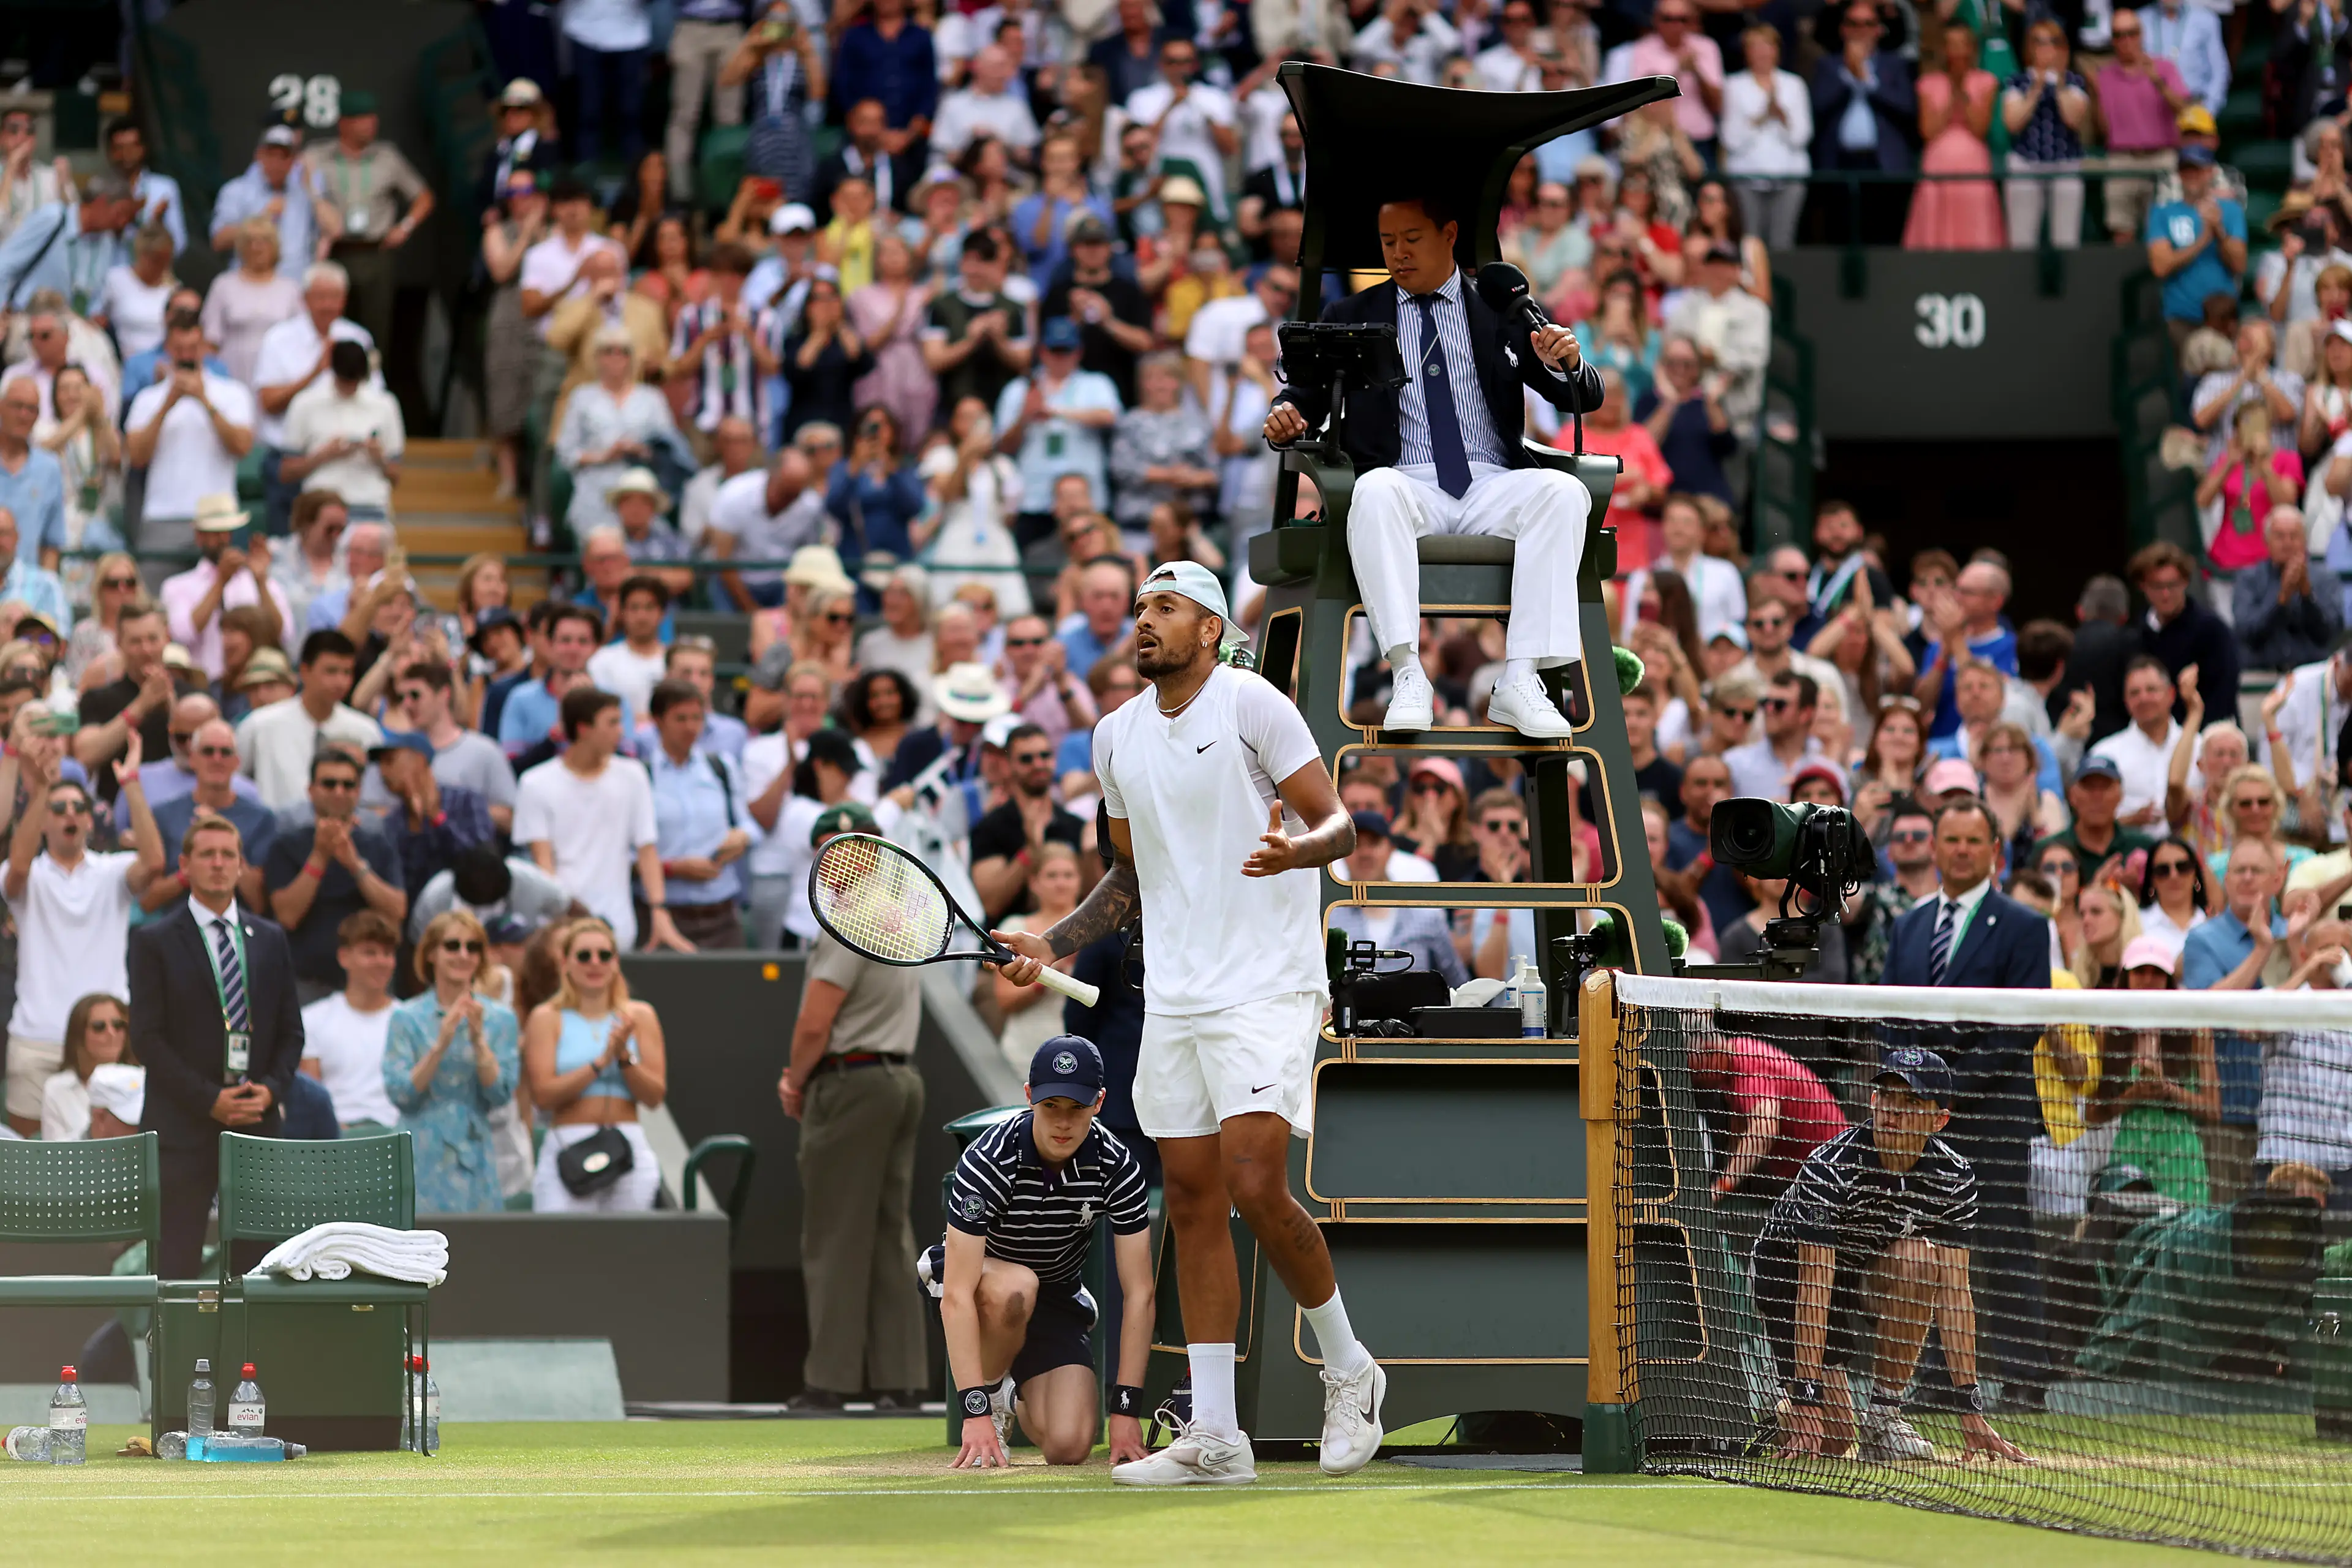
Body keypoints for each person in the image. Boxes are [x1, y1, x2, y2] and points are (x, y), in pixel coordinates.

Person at [995, 561, 1382, 1487]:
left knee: (1255, 1184)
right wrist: (1049, 943)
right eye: (1137, 609)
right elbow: (1129, 879)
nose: (1144, 622)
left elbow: (1340, 829)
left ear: (1210, 628)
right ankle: (1216, 1435)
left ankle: (1350, 1367)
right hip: (1174, 996)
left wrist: (1298, 849)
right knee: (1195, 1203)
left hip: (1265, 987)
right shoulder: (1114, 736)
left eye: (1165, 608)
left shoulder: (1254, 704)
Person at [1263, 192, 1601, 741]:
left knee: (1564, 495)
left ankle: (1520, 679)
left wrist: (1568, 360)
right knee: (1372, 492)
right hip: (1406, 484)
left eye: (1411, 240)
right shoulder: (1352, 315)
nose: (1397, 254)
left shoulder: (1501, 308)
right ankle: (1406, 672)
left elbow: (1581, 397)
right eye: (1388, 243)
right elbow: (1307, 396)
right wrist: (1289, 415)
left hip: (1493, 482)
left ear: (1448, 234)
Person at [1751, 1048, 2029, 1462]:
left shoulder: (1954, 1178)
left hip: (1863, 1269)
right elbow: (1814, 1284)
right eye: (1886, 1097)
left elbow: (1955, 1295)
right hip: (1792, 1275)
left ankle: (1883, 1420)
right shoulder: (1830, 1169)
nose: (1892, 1112)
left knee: (1920, 1259)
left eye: (1911, 1102)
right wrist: (1809, 1399)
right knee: (1833, 1439)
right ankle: (1778, 1411)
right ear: (1872, 1101)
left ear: (1939, 1120)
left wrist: (1970, 1409)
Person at [932, 1035, 1155, 1469]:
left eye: (1077, 1108)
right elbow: (957, 1293)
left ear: (1100, 1102)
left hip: (1056, 1298)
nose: (1063, 1123)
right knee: (1017, 1286)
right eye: (1051, 1106)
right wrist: (974, 1409)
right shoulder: (989, 1159)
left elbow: (1141, 1293)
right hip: (980, 1288)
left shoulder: (1119, 1165)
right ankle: (993, 1399)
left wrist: (1126, 1410)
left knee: (1070, 1447)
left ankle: (1013, 1394)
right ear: (1030, 1097)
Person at [781, 802, 927, 1408]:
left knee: (834, 1235)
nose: (827, 859)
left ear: (871, 852)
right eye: (820, 846)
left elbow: (817, 1021)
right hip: (899, 1078)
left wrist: (794, 1078)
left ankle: (830, 1382)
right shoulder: (900, 915)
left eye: (841, 846)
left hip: (852, 1082)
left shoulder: (847, 916)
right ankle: (902, 1378)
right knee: (890, 1233)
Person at [128, 814, 303, 1278]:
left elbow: (292, 1032)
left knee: (258, 1268)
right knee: (175, 1266)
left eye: (229, 855)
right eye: (207, 854)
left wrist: (270, 1091)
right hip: (183, 1127)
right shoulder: (154, 941)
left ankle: (252, 1355)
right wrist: (210, 1100)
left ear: (243, 866)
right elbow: (146, 1038)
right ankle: (177, 1354)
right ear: (185, 865)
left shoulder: (268, 939)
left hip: (255, 1123)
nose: (219, 864)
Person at [4, 734, 163, 1137]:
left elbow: (155, 862)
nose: (69, 814)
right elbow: (17, 869)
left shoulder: (111, 872)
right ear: (43, 819)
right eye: (58, 808)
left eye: (79, 807)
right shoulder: (29, 873)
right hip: (36, 1037)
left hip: (108, 1037)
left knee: (118, 1160)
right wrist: (39, 788)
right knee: (27, 1163)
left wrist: (130, 782)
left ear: (91, 820)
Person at [514, 686, 686, 952]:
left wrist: (659, 910)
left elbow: (647, 850)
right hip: (563, 928)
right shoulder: (535, 784)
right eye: (613, 723)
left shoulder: (634, 775)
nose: (622, 731)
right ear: (584, 729)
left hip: (621, 927)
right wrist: (563, 921)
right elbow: (543, 864)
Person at [386, 908, 522, 1213]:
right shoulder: (406, 1018)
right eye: (452, 946)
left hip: (475, 1149)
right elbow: (402, 1094)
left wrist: (478, 1040)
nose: (463, 955)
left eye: (472, 947)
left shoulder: (500, 1019)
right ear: (431, 953)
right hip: (418, 1149)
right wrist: (441, 1043)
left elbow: (499, 1093)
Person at [263, 749, 409, 1005]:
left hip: (369, 982)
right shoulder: (286, 844)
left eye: (348, 785)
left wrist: (355, 864)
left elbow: (396, 910)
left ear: (358, 791)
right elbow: (287, 915)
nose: (339, 792)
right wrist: (320, 856)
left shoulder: (378, 844)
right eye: (329, 784)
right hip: (306, 981)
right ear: (311, 790)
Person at [305, 92, 434, 358]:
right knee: (330, 323)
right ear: (344, 123)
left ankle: (373, 384)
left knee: (377, 327)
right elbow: (297, 179)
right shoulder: (318, 156)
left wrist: (405, 226)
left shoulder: (388, 156)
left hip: (375, 253)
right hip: (334, 253)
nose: (370, 124)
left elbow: (424, 197)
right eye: (362, 119)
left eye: (372, 118)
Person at [123, 314, 256, 567]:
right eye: (179, 349)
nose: (186, 356)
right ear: (168, 350)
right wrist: (167, 404)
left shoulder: (232, 393)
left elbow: (242, 447)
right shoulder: (148, 399)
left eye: (193, 349)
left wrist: (205, 402)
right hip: (163, 517)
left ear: (204, 348)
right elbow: (137, 457)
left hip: (220, 518)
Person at [644, 678, 754, 950]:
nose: (691, 727)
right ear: (658, 720)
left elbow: (747, 824)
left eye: (697, 718)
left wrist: (741, 836)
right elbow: (627, 856)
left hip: (723, 915)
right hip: (666, 915)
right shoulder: (641, 776)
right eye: (680, 718)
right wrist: (674, 868)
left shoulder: (721, 768)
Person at [234, 630, 383, 810]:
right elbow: (236, 784)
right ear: (305, 671)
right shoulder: (260, 725)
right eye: (331, 671)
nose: (340, 682)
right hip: (275, 833)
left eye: (347, 672)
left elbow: (375, 800)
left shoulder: (366, 731)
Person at [1810, 4, 1917, 247]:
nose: (1861, 30)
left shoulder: (1896, 65)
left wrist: (1867, 80)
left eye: (1868, 24)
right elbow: (1819, 107)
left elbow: (1906, 108)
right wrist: (1849, 74)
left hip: (1883, 165)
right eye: (1854, 23)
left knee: (1884, 242)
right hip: (1840, 166)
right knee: (1840, 240)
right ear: (1843, 29)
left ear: (1879, 29)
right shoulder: (1828, 66)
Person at [1693, 1036, 1847, 1202]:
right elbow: (1740, 1125)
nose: (1697, 1080)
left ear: (1710, 1053)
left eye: (1697, 1072)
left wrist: (1722, 1186)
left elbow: (1763, 1132)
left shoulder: (1750, 1064)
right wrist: (1726, 1172)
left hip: (1831, 1167)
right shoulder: (1730, 1065)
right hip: (1801, 1170)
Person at [159, 496, 290, 682]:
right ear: (199, 537)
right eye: (215, 532)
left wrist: (261, 582)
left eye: (228, 532)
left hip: (252, 682)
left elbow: (283, 634)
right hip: (203, 682)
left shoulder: (261, 582)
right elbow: (183, 634)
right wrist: (221, 581)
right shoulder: (177, 586)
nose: (223, 539)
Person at [969, 722, 1084, 924]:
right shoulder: (989, 828)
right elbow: (990, 904)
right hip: (1008, 944)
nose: (1038, 764)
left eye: (1045, 756)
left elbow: (1089, 897)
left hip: (1069, 944)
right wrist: (1030, 850)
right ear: (1008, 765)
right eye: (1026, 759)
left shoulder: (1075, 825)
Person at [298, 910, 402, 1133]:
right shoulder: (313, 1019)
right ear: (344, 957)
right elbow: (311, 1097)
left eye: (388, 953)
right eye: (370, 953)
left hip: (398, 1136)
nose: (381, 962)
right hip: (336, 1141)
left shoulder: (409, 1019)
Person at [279, 340, 405, 522]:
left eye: (355, 382)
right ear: (333, 372)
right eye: (345, 381)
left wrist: (379, 459)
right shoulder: (305, 403)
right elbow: (285, 472)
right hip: (320, 507)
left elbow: (396, 476)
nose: (350, 388)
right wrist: (324, 455)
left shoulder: (385, 405)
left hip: (370, 506)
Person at [1904, 26, 2002, 250]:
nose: (1957, 51)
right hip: (1938, 165)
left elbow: (1979, 129)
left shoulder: (1986, 82)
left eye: (1962, 44)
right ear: (1944, 49)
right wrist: (1951, 93)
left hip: (1973, 166)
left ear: (1972, 48)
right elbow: (1928, 131)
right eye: (1951, 44)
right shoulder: (1928, 83)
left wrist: (1962, 93)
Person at [1999, 20, 2089, 251]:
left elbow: (2074, 119)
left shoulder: (2074, 81)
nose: (2046, 49)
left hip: (2065, 164)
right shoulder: (2017, 81)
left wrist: (2058, 84)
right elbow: (2012, 122)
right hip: (2025, 164)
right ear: (2030, 48)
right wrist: (2036, 88)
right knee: (2022, 242)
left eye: (2053, 43)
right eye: (2039, 42)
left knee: (2066, 242)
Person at [1721, 26, 1812, 251]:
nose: (1762, 53)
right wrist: (1760, 118)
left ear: (1777, 51)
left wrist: (1782, 117)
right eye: (1756, 47)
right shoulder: (1733, 85)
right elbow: (1730, 140)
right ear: (1747, 52)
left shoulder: (1795, 85)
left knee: (1783, 243)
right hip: (1746, 176)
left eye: (1768, 46)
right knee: (1750, 243)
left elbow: (1802, 137)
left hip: (1789, 176)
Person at [2146, 145, 2246, 348]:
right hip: (2181, 318)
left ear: (2210, 172)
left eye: (2197, 169)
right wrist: (2203, 240)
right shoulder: (2162, 212)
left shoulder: (2230, 210)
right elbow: (2160, 266)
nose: (2191, 175)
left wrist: (2218, 231)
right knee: (2187, 378)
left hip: (2223, 318)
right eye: (2186, 170)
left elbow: (2239, 264)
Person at [2234, 505, 2345, 669]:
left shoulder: (2325, 579)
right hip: (2261, 674)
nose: (2287, 543)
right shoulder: (2248, 578)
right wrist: (2281, 598)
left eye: (2294, 536)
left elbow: (2328, 635)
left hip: (2312, 672)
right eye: (2279, 536)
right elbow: (2249, 634)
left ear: (2305, 541)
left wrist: (2307, 594)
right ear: (2267, 541)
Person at [37, 992, 133, 1142]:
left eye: (118, 1025)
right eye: (99, 1027)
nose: (111, 1033)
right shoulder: (57, 1089)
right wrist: (92, 1133)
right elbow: (55, 1157)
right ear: (79, 1037)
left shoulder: (143, 1081)